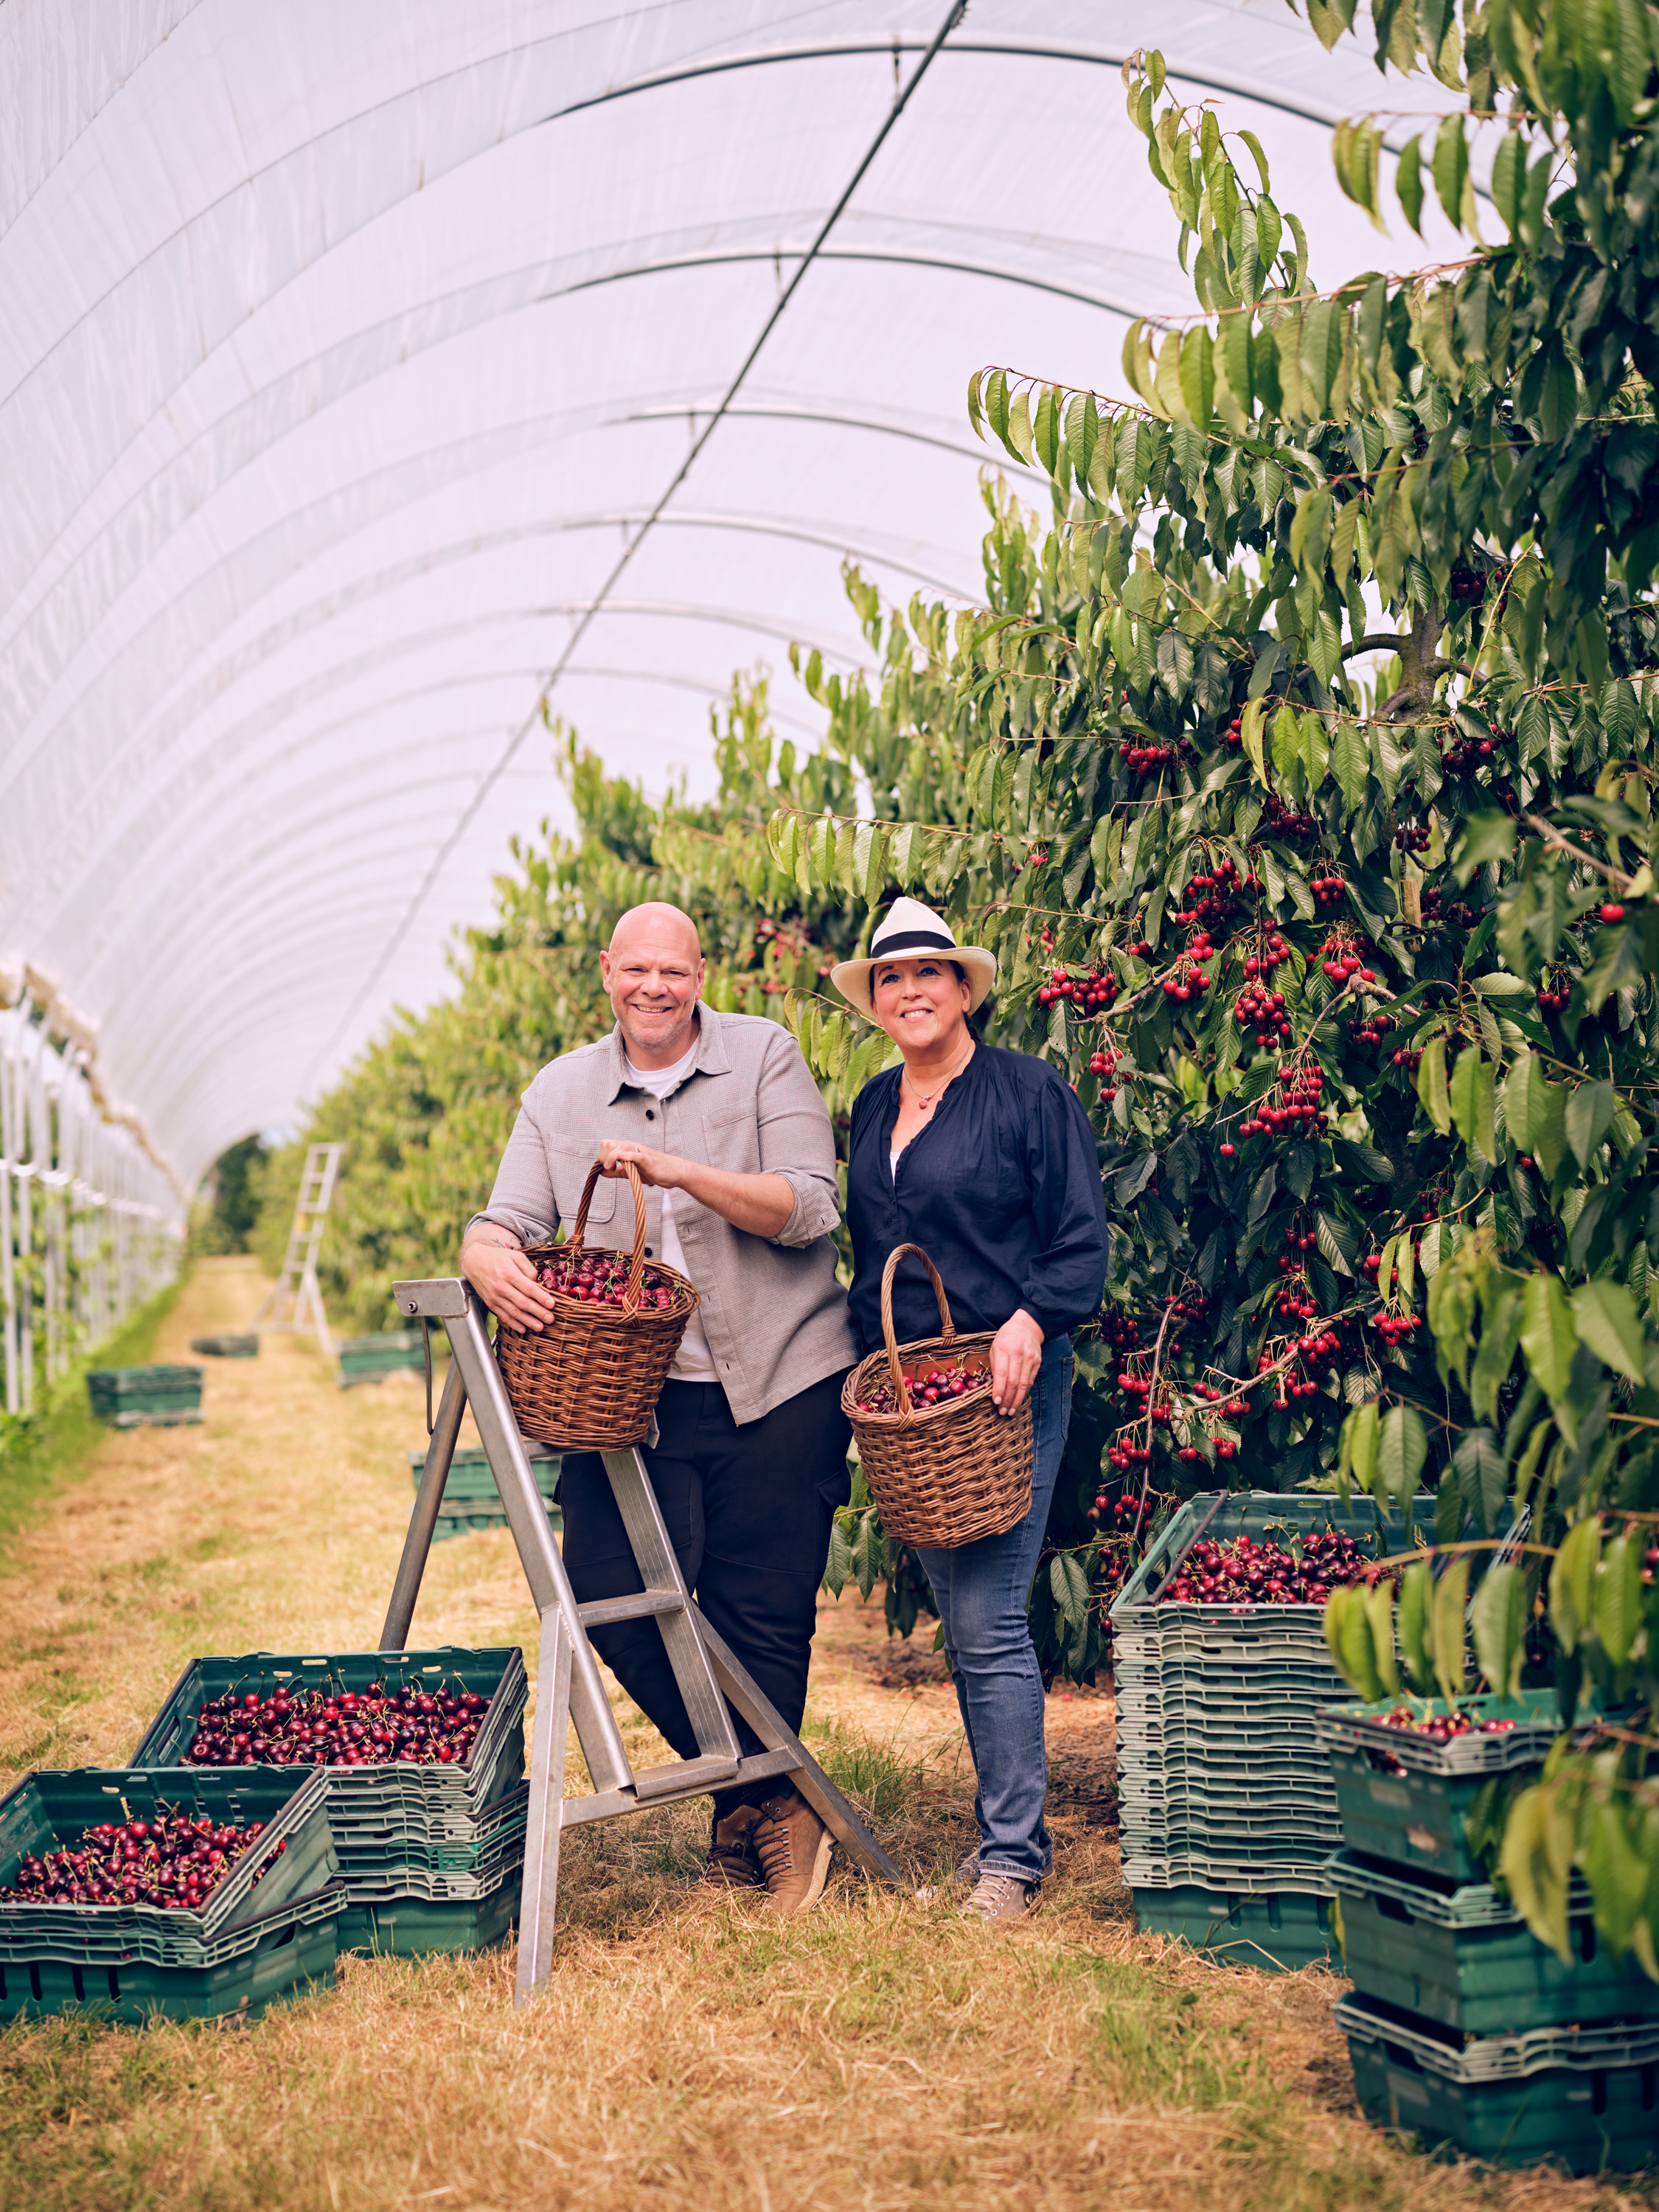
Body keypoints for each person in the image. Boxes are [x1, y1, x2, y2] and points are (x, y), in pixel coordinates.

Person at [461, 901, 859, 1911]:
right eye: (635, 970)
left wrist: (679, 1172)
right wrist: (480, 1247)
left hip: (779, 1375)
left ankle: (748, 1828)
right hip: (630, 1396)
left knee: (759, 1613)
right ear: (606, 972)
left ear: (699, 975)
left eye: (672, 973)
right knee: (602, 1592)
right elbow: (507, 1216)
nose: (653, 988)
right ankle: (778, 1798)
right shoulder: (562, 1091)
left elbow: (809, 1204)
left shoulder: (763, 1055)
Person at [832, 897, 1109, 1924]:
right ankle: (1004, 1835)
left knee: (988, 1617)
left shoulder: (1026, 1093)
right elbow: (869, 1255)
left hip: (1003, 1389)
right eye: (889, 979)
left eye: (927, 974)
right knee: (961, 1615)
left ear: (962, 989)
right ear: (874, 999)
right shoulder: (870, 1105)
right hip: (916, 1408)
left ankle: (1011, 1859)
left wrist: (1033, 1319)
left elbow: (1079, 1237)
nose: (908, 992)